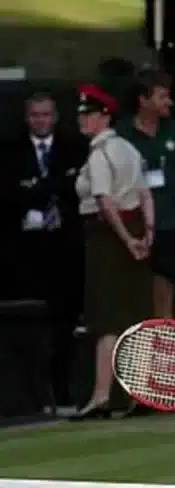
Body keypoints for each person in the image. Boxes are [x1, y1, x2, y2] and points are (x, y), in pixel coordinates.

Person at [70, 84, 155, 420]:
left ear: (104, 117)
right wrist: (146, 234)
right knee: (134, 314)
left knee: (107, 319)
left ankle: (103, 396)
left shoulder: (101, 153)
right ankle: (138, 393)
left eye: (88, 114)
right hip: (132, 232)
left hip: (109, 238)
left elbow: (106, 202)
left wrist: (127, 239)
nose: (83, 120)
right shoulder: (129, 149)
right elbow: (145, 195)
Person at [5, 93, 89, 411]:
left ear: (55, 117)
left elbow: (72, 189)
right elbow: (9, 192)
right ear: (28, 118)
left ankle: (63, 390)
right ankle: (31, 394)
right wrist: (50, 187)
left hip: (63, 251)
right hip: (23, 254)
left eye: (46, 115)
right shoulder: (10, 151)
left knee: (64, 326)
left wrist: (37, 187)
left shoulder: (73, 149)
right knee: (27, 325)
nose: (41, 121)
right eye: (35, 115)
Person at [116, 69, 175, 319]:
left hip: (168, 223)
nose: (168, 102)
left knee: (165, 286)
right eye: (162, 96)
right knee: (132, 290)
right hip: (132, 224)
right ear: (143, 100)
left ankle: (164, 347)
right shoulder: (122, 133)